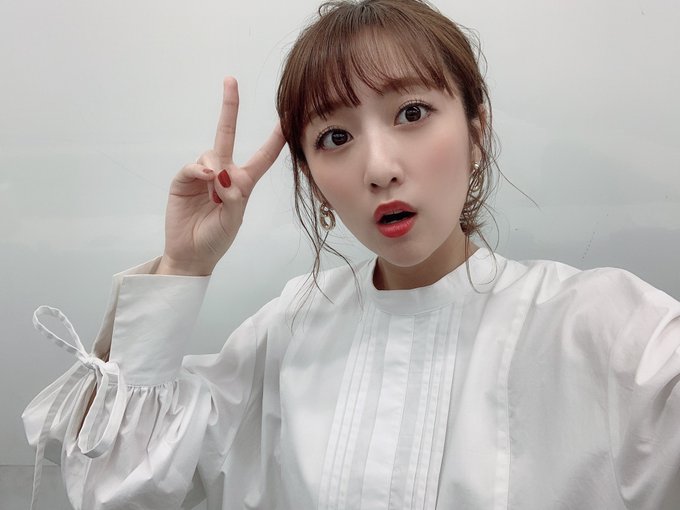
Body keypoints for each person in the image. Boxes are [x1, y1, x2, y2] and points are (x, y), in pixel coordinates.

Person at [23, 0, 680, 509]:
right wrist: (185, 264)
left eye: (412, 113)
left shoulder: (599, 327)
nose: (379, 167)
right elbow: (118, 485)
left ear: (476, 132)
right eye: (335, 137)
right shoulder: (289, 331)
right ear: (313, 180)